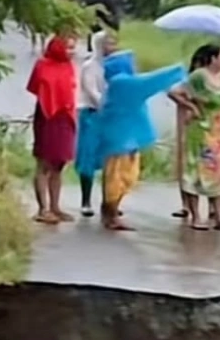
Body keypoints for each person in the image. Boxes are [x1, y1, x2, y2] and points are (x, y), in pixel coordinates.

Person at [78, 50, 186, 229]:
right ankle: (110, 215)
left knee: (123, 176)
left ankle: (110, 213)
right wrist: (178, 70)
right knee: (117, 178)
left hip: (123, 138)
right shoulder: (122, 83)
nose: (134, 66)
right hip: (120, 139)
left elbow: (146, 82)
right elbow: (150, 82)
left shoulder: (119, 83)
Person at [168, 44, 220, 231]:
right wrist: (191, 106)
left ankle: (218, 215)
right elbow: (174, 92)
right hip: (199, 130)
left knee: (218, 173)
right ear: (213, 59)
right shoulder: (199, 76)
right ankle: (196, 216)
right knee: (195, 172)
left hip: (218, 133)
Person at [27, 35, 77, 224]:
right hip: (47, 116)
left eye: (73, 48)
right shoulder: (42, 65)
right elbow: (35, 87)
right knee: (44, 163)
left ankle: (55, 207)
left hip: (65, 116)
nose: (72, 52)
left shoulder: (68, 66)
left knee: (59, 164)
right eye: (68, 48)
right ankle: (43, 209)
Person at [76, 30, 119, 217]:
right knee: (88, 157)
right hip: (92, 115)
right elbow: (92, 91)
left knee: (111, 159)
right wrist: (106, 105)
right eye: (108, 43)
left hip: (111, 117)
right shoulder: (90, 66)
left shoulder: (115, 66)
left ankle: (109, 201)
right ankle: (85, 201)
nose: (112, 48)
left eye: (114, 43)